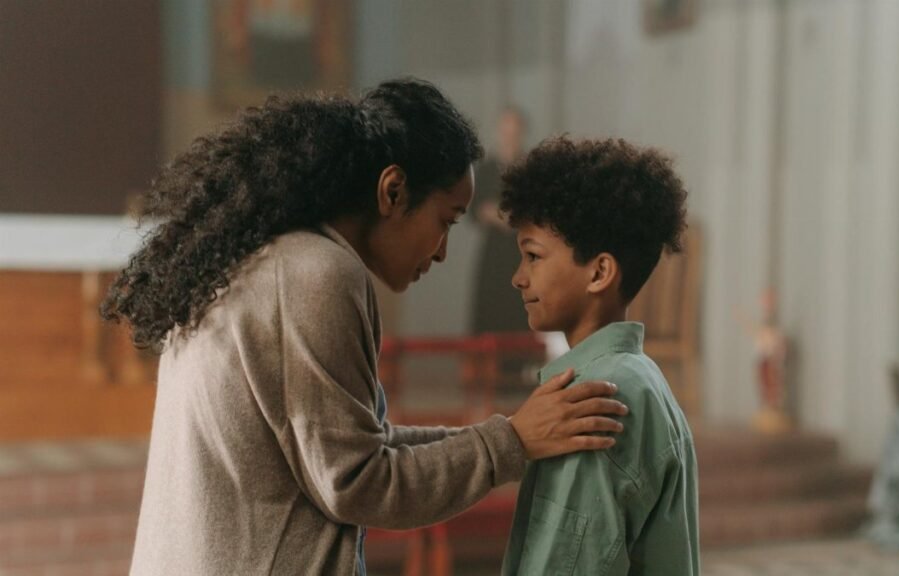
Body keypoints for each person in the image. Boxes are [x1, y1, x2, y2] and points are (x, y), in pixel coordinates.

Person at [100, 78, 628, 576]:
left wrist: (512, 434)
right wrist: (509, 443)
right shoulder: (319, 273)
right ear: (392, 191)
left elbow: (355, 446)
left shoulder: (263, 256)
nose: (443, 251)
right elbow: (358, 483)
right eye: (445, 220)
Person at [499, 137, 699, 575]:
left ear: (599, 272)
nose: (518, 277)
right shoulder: (641, 377)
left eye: (533, 256)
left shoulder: (593, 399)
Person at [470, 106, 530, 334]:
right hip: (494, 252)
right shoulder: (486, 169)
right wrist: (497, 215)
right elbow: (476, 208)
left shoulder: (528, 167)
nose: (510, 136)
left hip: (520, 250)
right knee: (491, 308)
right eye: (506, 131)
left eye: (514, 131)